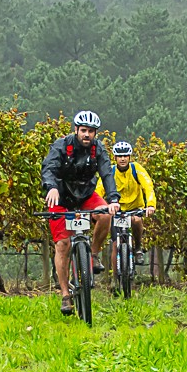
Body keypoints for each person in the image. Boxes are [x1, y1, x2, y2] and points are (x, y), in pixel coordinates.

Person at [42, 110, 119, 316]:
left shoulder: (98, 150)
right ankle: (66, 294)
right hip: (60, 197)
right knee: (63, 244)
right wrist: (51, 187)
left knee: (105, 215)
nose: (87, 135)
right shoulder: (61, 146)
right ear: (76, 130)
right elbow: (49, 168)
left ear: (95, 133)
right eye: (83, 130)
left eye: (91, 131)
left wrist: (113, 199)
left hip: (85, 195)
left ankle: (92, 254)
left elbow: (106, 174)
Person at [110, 140, 156, 275]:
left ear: (130, 157)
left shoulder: (136, 169)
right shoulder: (111, 172)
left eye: (125, 155)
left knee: (136, 220)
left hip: (135, 209)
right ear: (115, 158)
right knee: (114, 245)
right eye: (119, 156)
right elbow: (100, 189)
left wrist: (151, 205)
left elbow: (148, 186)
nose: (122, 158)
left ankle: (138, 248)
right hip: (117, 211)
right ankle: (114, 279)